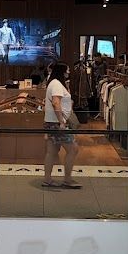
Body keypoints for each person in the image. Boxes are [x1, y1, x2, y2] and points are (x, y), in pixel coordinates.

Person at [42, 62, 81, 190]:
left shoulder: (54, 83)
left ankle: (47, 179)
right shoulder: (57, 85)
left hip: (51, 122)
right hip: (57, 123)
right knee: (73, 148)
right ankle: (67, 179)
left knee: (52, 151)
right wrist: (62, 122)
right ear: (62, 71)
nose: (69, 72)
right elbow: (56, 103)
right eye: (67, 70)